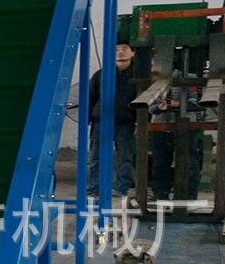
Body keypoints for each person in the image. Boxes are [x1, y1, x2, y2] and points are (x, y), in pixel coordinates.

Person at [87, 43, 137, 197]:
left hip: (126, 122)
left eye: (124, 49)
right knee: (96, 156)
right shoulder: (101, 75)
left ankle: (122, 188)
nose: (120, 52)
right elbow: (90, 96)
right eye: (116, 50)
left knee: (125, 157)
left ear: (133, 53)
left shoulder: (138, 76)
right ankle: (94, 187)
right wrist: (87, 118)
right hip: (101, 121)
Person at [148, 74, 204, 201]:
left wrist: (177, 104)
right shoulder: (157, 78)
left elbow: (197, 103)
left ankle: (189, 196)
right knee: (160, 162)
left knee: (190, 162)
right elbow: (151, 106)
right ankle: (160, 195)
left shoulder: (191, 78)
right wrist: (159, 107)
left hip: (187, 126)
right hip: (161, 126)